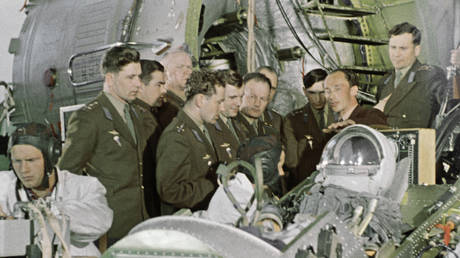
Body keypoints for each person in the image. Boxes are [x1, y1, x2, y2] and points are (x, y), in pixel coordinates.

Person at [57, 46, 157, 244]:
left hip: (144, 223)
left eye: (139, 76)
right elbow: (67, 174)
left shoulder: (138, 113)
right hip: (112, 228)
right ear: (110, 79)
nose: (138, 83)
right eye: (131, 78)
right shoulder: (89, 117)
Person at [0, 123, 112, 256]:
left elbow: (100, 221)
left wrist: (46, 212)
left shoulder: (84, 186)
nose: (24, 170)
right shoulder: (4, 183)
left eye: (31, 160)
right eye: (17, 161)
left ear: (51, 157)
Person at [156, 70, 225, 215]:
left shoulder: (203, 128)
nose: (221, 108)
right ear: (200, 100)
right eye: (218, 102)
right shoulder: (176, 136)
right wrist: (214, 184)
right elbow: (170, 191)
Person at [374, 22, 446, 128]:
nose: (396, 54)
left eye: (403, 48)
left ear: (417, 50)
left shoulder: (430, 77)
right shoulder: (385, 82)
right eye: (393, 47)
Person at [282, 69, 334, 189]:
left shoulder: (340, 115)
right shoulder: (292, 120)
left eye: (322, 92)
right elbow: (292, 163)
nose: (318, 99)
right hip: (307, 186)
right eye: (312, 93)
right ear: (304, 91)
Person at [134, 59, 167, 218]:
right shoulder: (144, 118)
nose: (163, 91)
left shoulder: (146, 114)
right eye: (159, 85)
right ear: (140, 85)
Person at [323, 69, 387, 133]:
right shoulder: (333, 126)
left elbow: (379, 127)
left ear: (353, 90)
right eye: (327, 91)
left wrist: (355, 126)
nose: (331, 96)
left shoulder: (372, 115)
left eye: (337, 89)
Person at [206, 70, 244, 164]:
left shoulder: (238, 122)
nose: (239, 103)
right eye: (232, 97)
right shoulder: (208, 126)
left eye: (241, 97)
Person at [156, 50, 193, 128]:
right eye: (180, 67)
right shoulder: (163, 106)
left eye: (189, 67)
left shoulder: (189, 103)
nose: (187, 71)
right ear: (165, 72)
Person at [234, 73, 274, 141]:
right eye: (252, 97)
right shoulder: (229, 124)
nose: (257, 104)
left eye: (263, 99)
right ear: (240, 94)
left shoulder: (273, 123)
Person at [256, 66, 283, 136]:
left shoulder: (277, 120)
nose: (268, 92)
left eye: (273, 88)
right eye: (265, 86)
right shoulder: (235, 116)